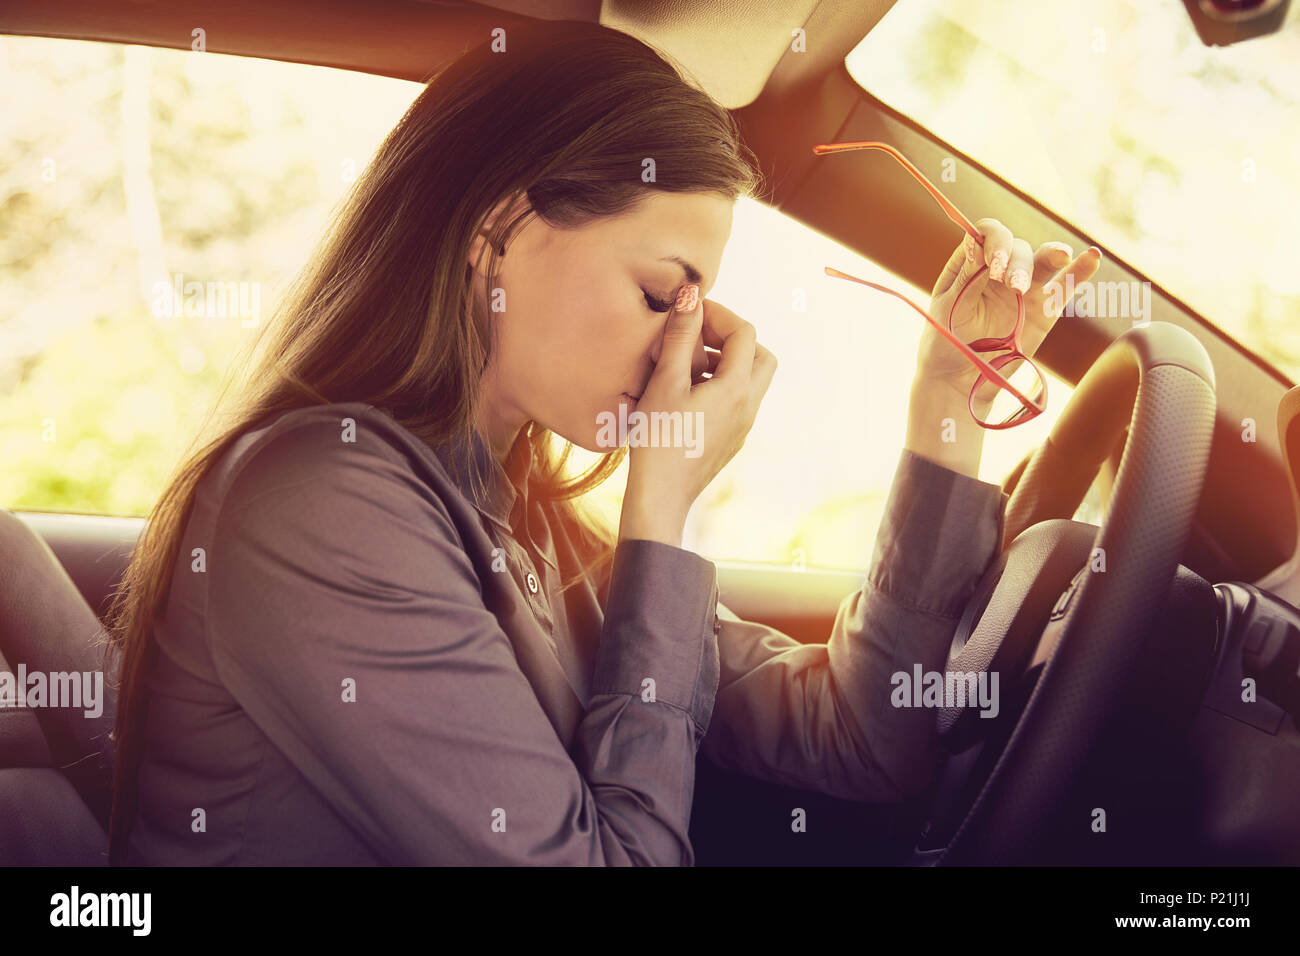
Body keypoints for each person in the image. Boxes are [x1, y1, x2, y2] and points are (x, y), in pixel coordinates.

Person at [104, 19, 1100, 865]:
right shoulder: (321, 506)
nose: (682, 342)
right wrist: (666, 504)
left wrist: (946, 403)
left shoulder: (522, 516)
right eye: (659, 293)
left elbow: (863, 741)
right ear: (498, 231)